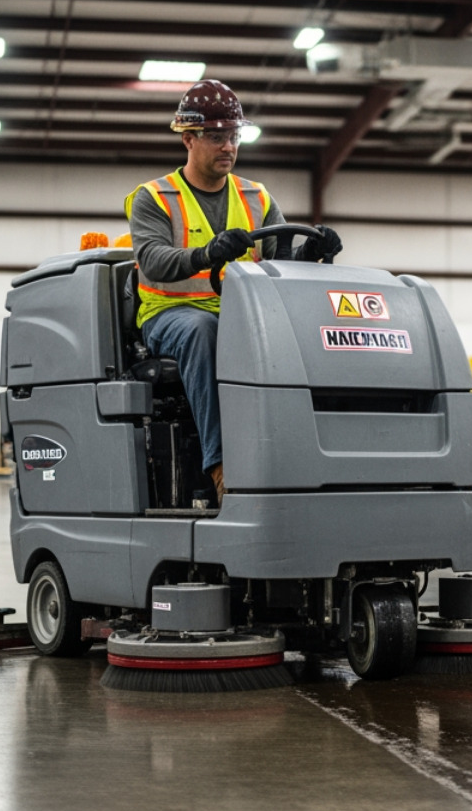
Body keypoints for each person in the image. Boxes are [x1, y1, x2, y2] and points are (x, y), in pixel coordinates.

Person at [124, 79, 340, 503]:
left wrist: (312, 251)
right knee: (203, 331)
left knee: (296, 339)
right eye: (217, 137)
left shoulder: (257, 196)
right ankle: (222, 469)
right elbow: (152, 260)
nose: (228, 146)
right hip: (171, 315)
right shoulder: (153, 197)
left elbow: (279, 267)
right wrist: (207, 254)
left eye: (234, 137)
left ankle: (304, 458)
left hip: (243, 312)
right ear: (188, 138)